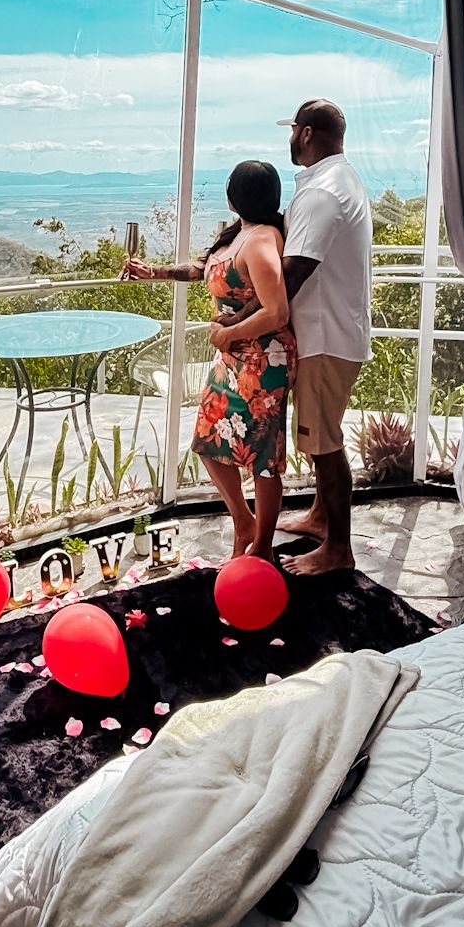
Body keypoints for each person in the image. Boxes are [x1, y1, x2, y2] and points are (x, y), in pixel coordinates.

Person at [121, 160, 296, 558]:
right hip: (232, 357)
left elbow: (277, 312)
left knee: (262, 456)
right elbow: (203, 270)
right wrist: (155, 272)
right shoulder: (238, 234)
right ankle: (244, 522)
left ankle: (263, 547)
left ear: (235, 196)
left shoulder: (262, 240)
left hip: (262, 360)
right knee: (207, 439)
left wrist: (228, 334)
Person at [274, 98, 372, 575]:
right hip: (332, 331)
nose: (291, 138)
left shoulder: (324, 193)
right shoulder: (338, 181)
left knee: (323, 443)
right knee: (321, 435)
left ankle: (338, 549)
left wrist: (244, 320)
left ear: (307, 133)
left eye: (293, 130)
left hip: (324, 336)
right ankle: (319, 517)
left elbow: (294, 272)